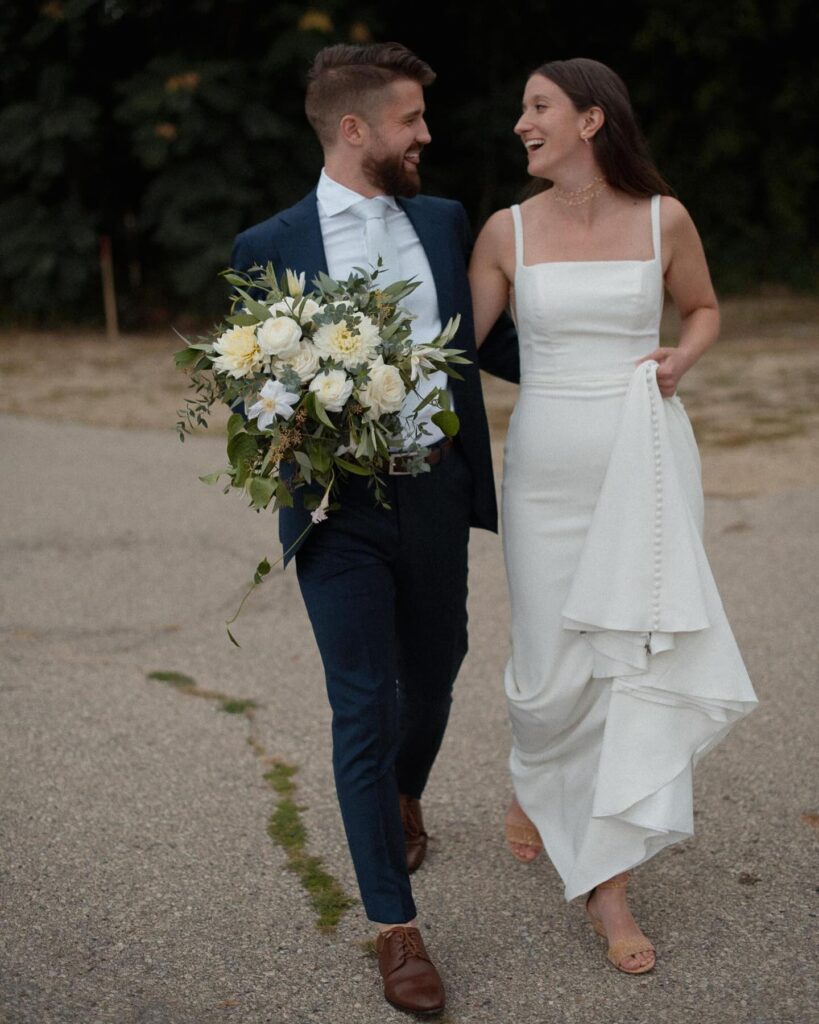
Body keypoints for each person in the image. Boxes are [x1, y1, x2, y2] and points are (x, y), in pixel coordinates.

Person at [231, 42, 517, 1015]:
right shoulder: (267, 242)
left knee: (434, 673)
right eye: (411, 120)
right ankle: (396, 930)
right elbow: (249, 389)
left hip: (436, 489)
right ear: (355, 129)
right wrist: (292, 415)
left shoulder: (442, 220)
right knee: (360, 706)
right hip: (336, 510)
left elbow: (489, 337)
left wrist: (607, 358)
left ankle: (403, 790)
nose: (425, 134)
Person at [469, 57, 757, 975]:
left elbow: (702, 308)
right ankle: (531, 774)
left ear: (591, 120)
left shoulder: (664, 218)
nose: (522, 122)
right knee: (546, 668)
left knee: (625, 661)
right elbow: (452, 351)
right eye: (522, 108)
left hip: (643, 462)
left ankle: (609, 886)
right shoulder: (504, 231)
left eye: (538, 106)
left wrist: (682, 358)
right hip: (543, 473)